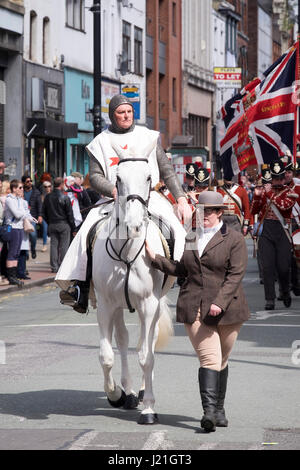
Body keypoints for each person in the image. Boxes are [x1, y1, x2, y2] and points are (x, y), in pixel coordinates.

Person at [57, 94, 191, 314]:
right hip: (113, 199)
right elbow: (95, 176)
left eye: (129, 111)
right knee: (86, 234)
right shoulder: (99, 142)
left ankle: (186, 275)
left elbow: (166, 170)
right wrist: (113, 189)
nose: (126, 115)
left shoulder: (148, 137)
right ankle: (80, 286)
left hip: (148, 197)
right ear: (113, 115)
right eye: (121, 112)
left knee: (177, 228)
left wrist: (181, 197)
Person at [145, 191, 250, 432]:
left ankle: (220, 411)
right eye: (201, 211)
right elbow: (183, 269)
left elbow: (236, 274)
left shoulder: (234, 238)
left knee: (222, 359)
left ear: (220, 213)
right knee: (210, 358)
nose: (204, 215)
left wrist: (220, 302)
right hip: (195, 306)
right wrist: (156, 259)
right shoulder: (192, 237)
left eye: (210, 211)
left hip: (229, 310)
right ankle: (209, 413)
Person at [251, 159, 299, 310]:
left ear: (284, 177)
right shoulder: (265, 191)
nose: (277, 180)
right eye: (275, 178)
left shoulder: (290, 193)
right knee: (267, 267)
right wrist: (258, 196)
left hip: (282, 230)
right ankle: (269, 299)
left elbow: (284, 206)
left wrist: (269, 192)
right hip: (266, 230)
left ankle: (285, 290)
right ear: (270, 177)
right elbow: (254, 211)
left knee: (284, 267)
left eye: (280, 178)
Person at [42, 177, 76, 274]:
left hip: (53, 223)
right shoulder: (65, 197)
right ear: (61, 185)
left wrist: (49, 222)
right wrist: (73, 227)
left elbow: (43, 212)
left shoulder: (48, 197)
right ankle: (63, 266)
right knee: (64, 246)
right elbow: (70, 214)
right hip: (63, 223)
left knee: (54, 245)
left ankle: (54, 267)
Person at [4, 180, 29, 287]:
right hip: (12, 228)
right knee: (12, 252)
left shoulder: (20, 200)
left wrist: (24, 212)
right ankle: (11, 277)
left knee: (17, 253)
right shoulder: (9, 200)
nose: (22, 190)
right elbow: (17, 214)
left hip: (19, 228)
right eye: (20, 188)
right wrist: (24, 212)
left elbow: (26, 213)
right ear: (14, 189)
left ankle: (14, 276)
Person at [22, 175, 43, 259]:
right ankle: (26, 253)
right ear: (24, 183)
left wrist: (40, 215)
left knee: (33, 235)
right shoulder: (21, 191)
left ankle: (33, 249)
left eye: (31, 181)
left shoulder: (36, 192)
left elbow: (39, 205)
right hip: (23, 217)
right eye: (27, 181)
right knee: (24, 236)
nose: (30, 182)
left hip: (32, 217)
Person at [40, 180, 52, 252]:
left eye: (49, 186)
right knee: (45, 229)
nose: (47, 188)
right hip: (44, 216)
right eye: (45, 187)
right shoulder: (42, 196)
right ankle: (44, 245)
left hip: (52, 216)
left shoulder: (53, 195)